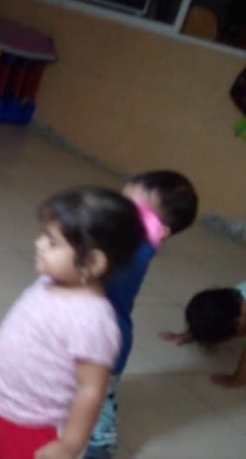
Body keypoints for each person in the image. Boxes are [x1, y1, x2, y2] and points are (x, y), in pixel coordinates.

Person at [0, 187, 145, 459]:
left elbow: (91, 389)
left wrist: (69, 444)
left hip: (34, 426)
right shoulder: (49, 281)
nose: (39, 244)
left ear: (92, 263)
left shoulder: (93, 320)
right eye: (44, 235)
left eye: (53, 243)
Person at [86, 170, 198, 459]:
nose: (119, 213)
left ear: (158, 229)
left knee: (98, 395)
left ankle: (102, 442)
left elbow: (92, 272)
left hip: (105, 342)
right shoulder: (119, 241)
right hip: (81, 330)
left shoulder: (136, 252)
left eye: (133, 210)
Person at [160, 282, 246, 388]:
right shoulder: (237, 296)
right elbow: (213, 312)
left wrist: (236, 380)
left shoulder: (236, 298)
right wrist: (190, 334)